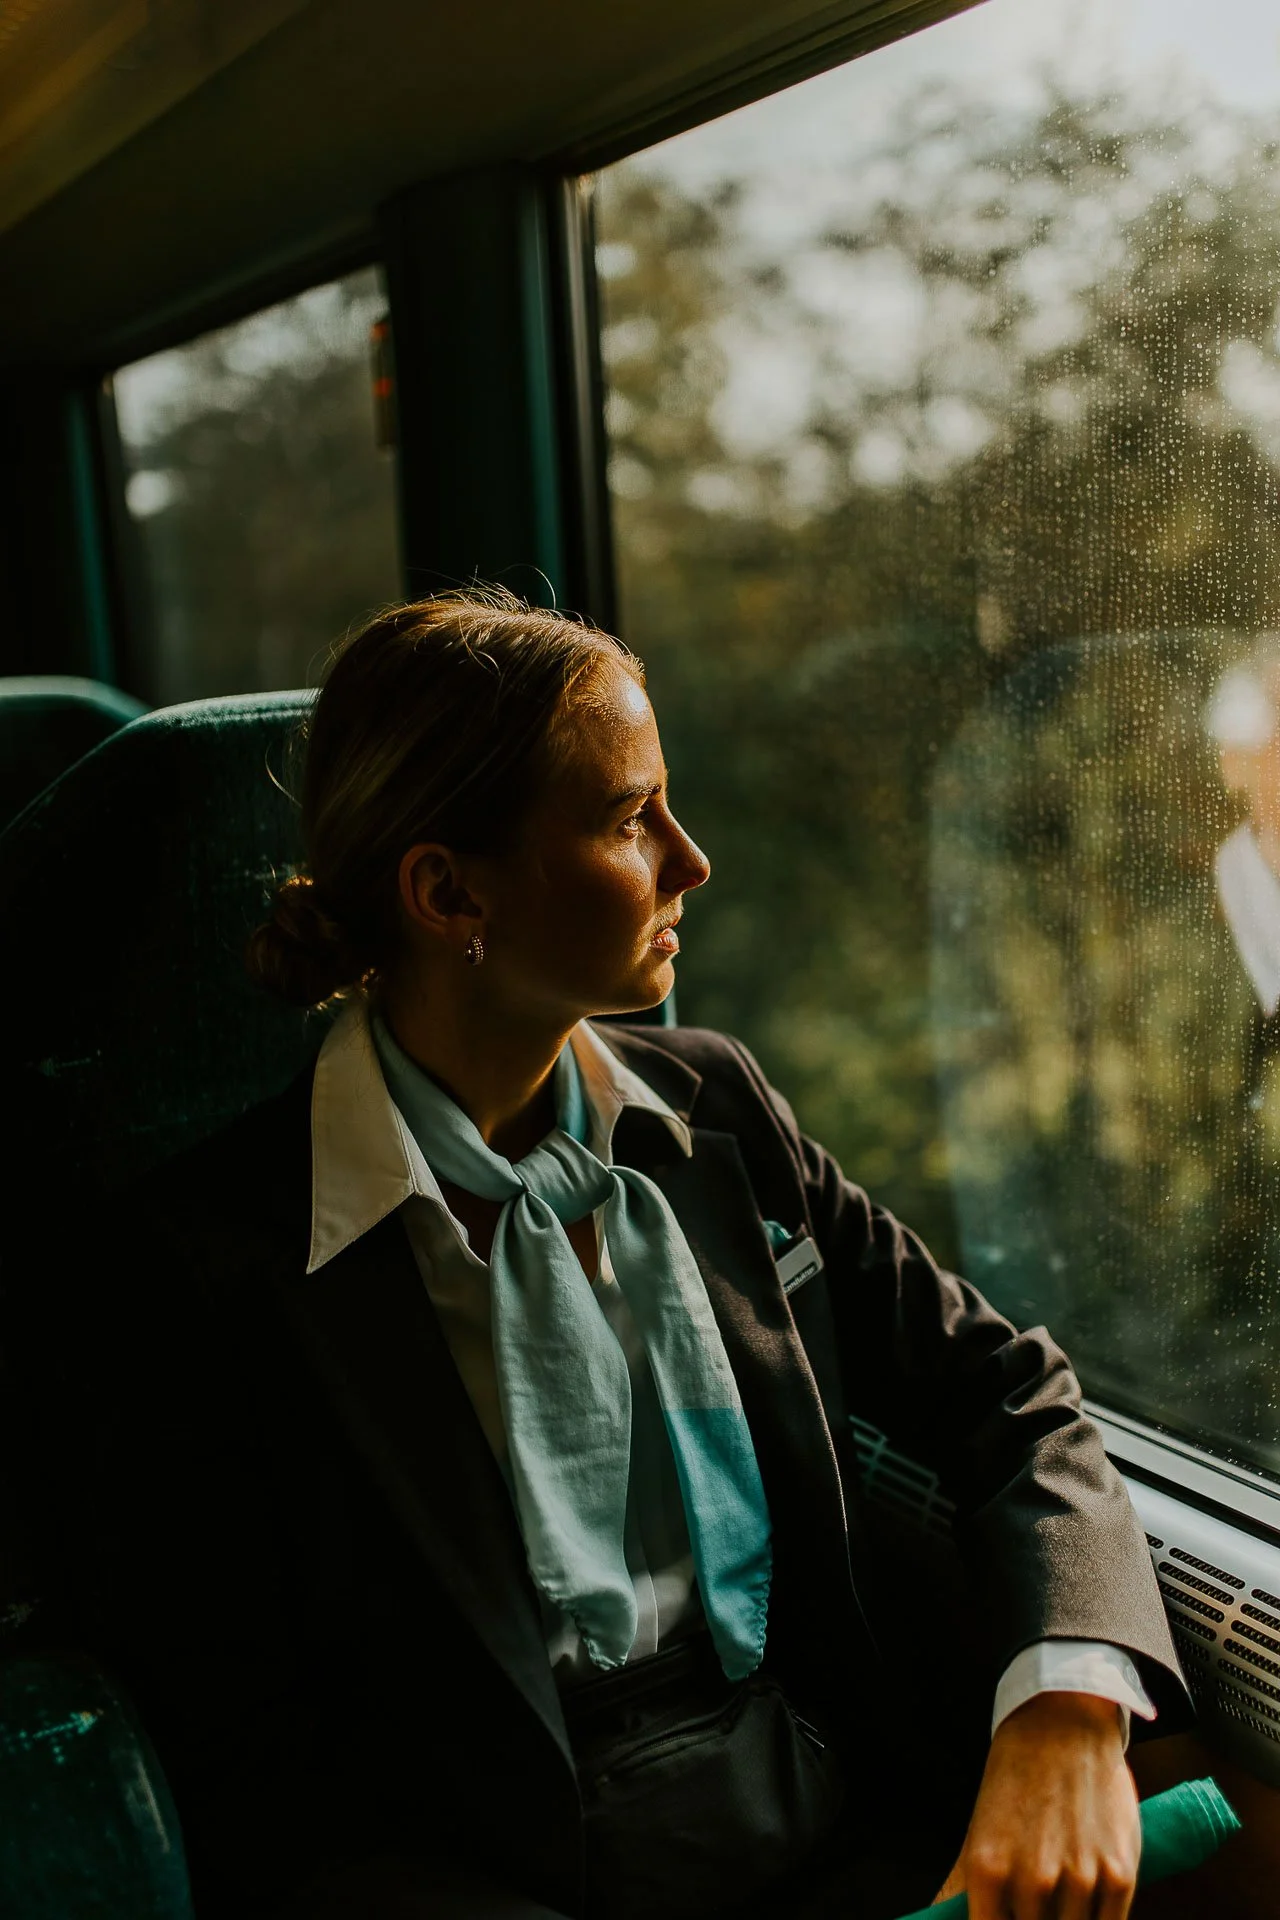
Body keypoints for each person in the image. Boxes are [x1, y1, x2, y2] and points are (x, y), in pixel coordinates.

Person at [44, 591, 1184, 1920]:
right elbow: (259, 1784)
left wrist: (1064, 1705)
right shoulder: (205, 1269)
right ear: (447, 890)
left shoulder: (715, 1114)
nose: (692, 860)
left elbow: (1009, 1397)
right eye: (629, 817)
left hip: (846, 1828)